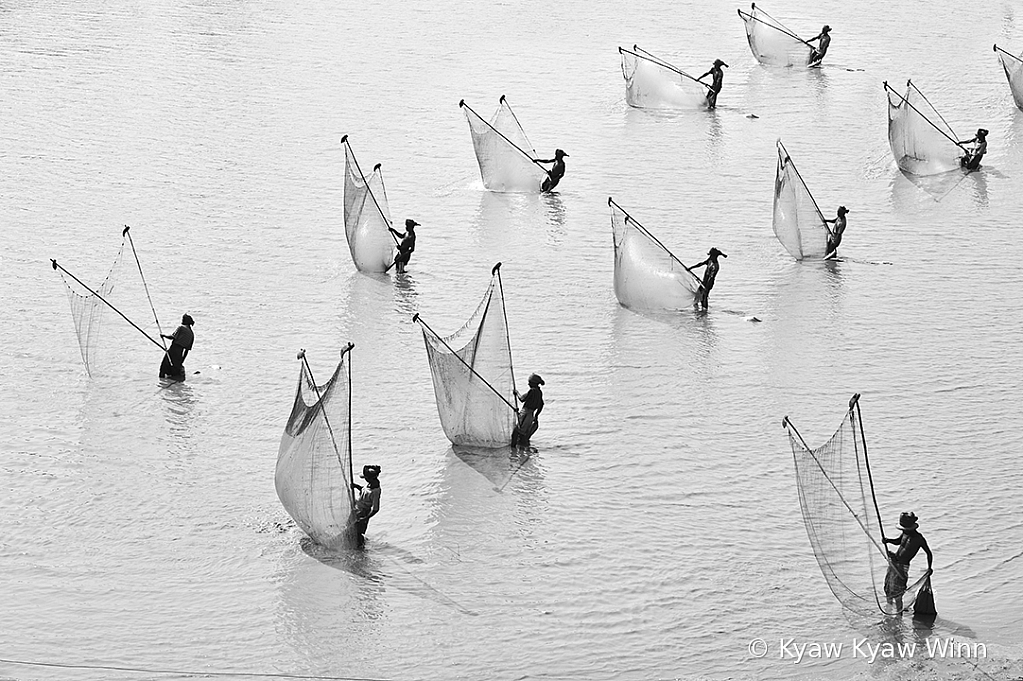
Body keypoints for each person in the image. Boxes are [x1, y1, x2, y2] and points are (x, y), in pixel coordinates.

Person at [882, 511, 934, 612]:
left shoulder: (919, 539)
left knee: (897, 593)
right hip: (894, 563)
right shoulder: (905, 533)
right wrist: (888, 540)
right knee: (889, 589)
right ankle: (888, 613)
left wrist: (929, 567)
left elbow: (929, 553)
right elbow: (898, 541)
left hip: (902, 567)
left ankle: (898, 615)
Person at [511, 374, 545, 448]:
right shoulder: (539, 392)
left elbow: (522, 399)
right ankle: (522, 450)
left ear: (533, 383)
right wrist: (536, 416)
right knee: (522, 434)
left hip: (526, 413)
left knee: (516, 432)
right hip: (531, 414)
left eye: (529, 382)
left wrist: (516, 393)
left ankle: (513, 450)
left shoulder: (532, 391)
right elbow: (541, 405)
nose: (528, 384)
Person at [351, 465, 381, 546]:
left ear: (370, 479)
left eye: (365, 478)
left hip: (363, 513)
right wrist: (356, 486)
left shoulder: (375, 491)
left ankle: (361, 552)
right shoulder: (369, 485)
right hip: (356, 509)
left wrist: (365, 518)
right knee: (350, 530)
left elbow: (375, 509)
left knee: (358, 534)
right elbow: (364, 491)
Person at [159, 313, 194, 379]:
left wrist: (163, 335)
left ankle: (162, 382)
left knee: (164, 367)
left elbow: (172, 337)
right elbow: (187, 350)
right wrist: (181, 361)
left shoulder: (181, 328)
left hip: (173, 350)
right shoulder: (191, 334)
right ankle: (175, 384)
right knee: (175, 369)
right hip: (180, 354)